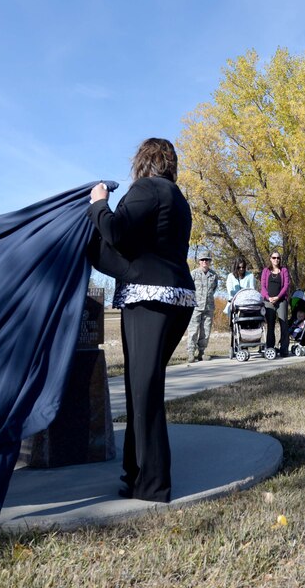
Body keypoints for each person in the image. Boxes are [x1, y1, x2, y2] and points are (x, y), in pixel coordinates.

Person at [89, 138, 195, 502]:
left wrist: (98, 203)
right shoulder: (178, 198)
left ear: (143, 161)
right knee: (141, 388)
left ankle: (152, 483)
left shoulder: (148, 188)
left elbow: (116, 231)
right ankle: (135, 473)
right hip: (176, 298)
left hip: (149, 298)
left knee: (145, 392)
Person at [186, 255, 218, 363]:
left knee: (206, 331)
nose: (205, 261)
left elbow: (214, 289)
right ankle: (191, 353)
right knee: (193, 330)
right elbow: (189, 288)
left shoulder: (213, 275)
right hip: (196, 306)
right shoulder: (194, 273)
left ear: (210, 261)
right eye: (202, 260)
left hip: (208, 307)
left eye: (207, 260)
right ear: (199, 261)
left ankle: (202, 352)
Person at [260, 251, 291, 357]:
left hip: (281, 300)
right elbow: (263, 287)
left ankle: (284, 348)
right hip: (268, 301)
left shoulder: (284, 270)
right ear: (270, 259)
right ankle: (270, 347)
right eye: (274, 258)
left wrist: (278, 297)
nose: (276, 260)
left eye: (278, 258)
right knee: (271, 325)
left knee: (283, 323)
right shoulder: (265, 271)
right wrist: (268, 298)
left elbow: (286, 285)